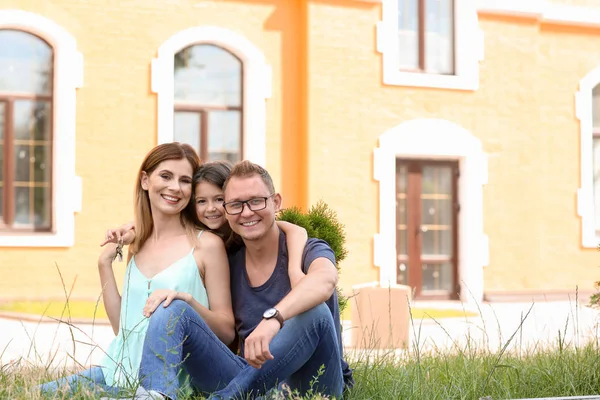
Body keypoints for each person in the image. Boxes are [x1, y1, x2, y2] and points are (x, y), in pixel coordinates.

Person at [109, 160, 353, 400]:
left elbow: (325, 281)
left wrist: (274, 319)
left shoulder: (310, 250)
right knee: (171, 305)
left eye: (256, 201)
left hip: (311, 386)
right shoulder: (229, 260)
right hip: (251, 382)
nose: (247, 212)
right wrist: (139, 230)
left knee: (315, 312)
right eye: (236, 205)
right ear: (226, 211)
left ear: (276, 202)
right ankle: (154, 395)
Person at [39, 143, 235, 398]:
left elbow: (227, 330)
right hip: (119, 370)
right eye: (166, 176)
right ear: (145, 180)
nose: (175, 187)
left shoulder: (207, 245)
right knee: (39, 392)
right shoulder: (137, 243)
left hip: (175, 376)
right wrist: (104, 265)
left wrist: (187, 302)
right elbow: (124, 329)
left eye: (185, 180)